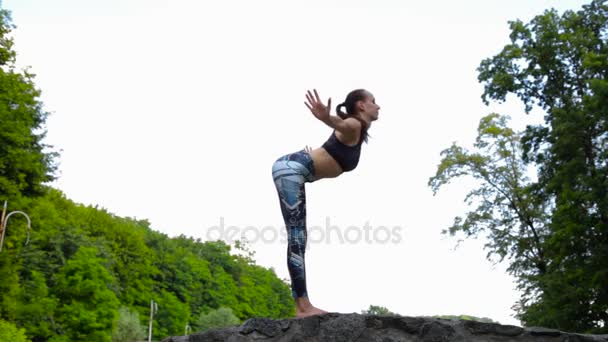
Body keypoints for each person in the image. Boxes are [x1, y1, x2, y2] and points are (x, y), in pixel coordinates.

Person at [271, 88, 381, 318]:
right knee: (297, 236)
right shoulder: (354, 125)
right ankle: (303, 307)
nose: (378, 106)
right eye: (373, 101)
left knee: (298, 236)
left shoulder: (356, 131)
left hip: (294, 168)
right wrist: (326, 118)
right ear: (361, 105)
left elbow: (339, 131)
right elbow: (342, 125)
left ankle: (302, 304)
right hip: (291, 169)